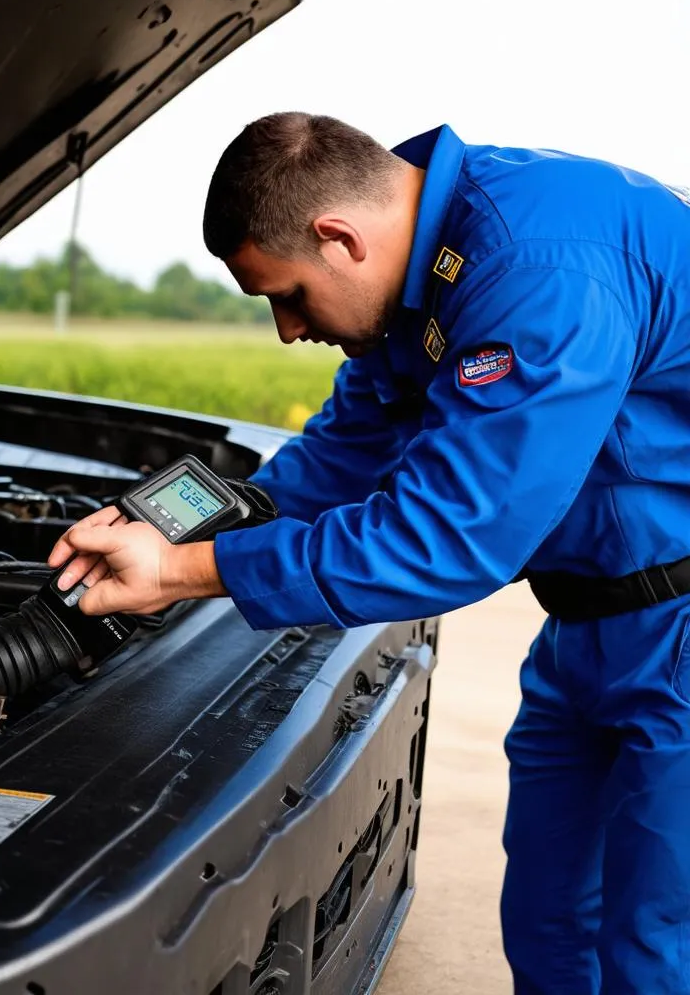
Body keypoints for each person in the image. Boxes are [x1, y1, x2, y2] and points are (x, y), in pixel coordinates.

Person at [47, 112, 690, 994]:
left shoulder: (534, 270)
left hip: (681, 628)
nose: (285, 330)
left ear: (338, 237)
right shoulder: (423, 280)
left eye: (289, 296)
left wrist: (189, 576)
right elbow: (343, 454)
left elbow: (448, 537)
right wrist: (182, 524)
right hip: (589, 622)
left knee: (655, 946)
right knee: (548, 925)